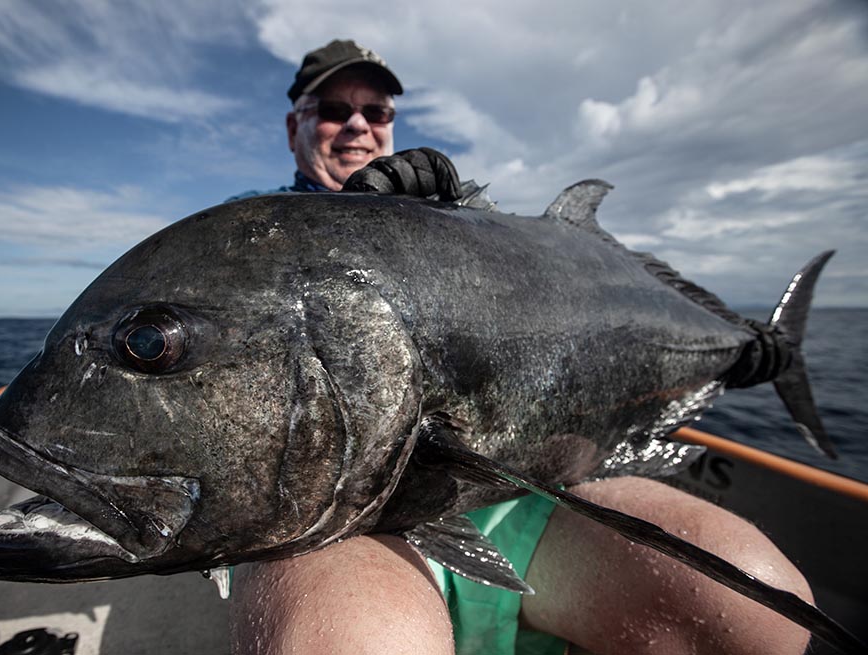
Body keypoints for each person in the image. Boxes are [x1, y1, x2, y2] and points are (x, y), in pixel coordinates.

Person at [228, 40, 814, 655]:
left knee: (760, 604)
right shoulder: (243, 238)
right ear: (296, 122)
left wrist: (735, 352)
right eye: (332, 109)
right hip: (329, 523)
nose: (357, 126)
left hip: (531, 483)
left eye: (376, 113)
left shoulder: (455, 226)